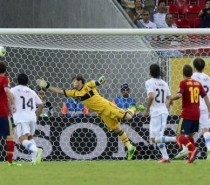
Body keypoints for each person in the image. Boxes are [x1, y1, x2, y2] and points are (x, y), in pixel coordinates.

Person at [36, 75, 143, 160]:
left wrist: (101, 80)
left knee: (128, 117)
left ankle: (133, 108)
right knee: (117, 129)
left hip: (107, 106)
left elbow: (97, 82)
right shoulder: (74, 93)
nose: (72, 83)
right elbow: (60, 91)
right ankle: (130, 147)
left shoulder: (88, 85)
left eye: (74, 81)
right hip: (102, 114)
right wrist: (47, 86)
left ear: (79, 81)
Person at [169, 64, 210, 164]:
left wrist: (170, 98)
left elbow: (179, 95)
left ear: (183, 73)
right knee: (190, 136)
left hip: (187, 113)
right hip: (197, 112)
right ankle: (191, 157)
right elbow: (205, 97)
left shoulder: (183, 82)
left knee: (179, 136)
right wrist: (209, 110)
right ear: (192, 73)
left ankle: (192, 148)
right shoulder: (197, 83)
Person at [143, 63, 176, 163]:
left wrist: (147, 109)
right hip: (159, 112)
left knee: (158, 137)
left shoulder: (149, 82)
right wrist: (166, 106)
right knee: (153, 139)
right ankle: (165, 157)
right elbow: (170, 99)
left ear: (150, 71)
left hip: (158, 113)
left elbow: (151, 96)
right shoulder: (164, 83)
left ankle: (178, 139)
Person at [11, 73, 44, 165]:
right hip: (32, 117)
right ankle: (33, 162)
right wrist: (36, 116)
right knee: (29, 138)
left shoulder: (13, 90)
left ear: (17, 81)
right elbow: (41, 105)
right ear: (27, 82)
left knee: (22, 140)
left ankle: (36, 150)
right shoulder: (32, 91)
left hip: (21, 118)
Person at [0, 61, 21, 166]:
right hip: (2, 112)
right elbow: (7, 91)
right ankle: (10, 161)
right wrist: (13, 104)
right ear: (5, 70)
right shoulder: (4, 79)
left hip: (3, 110)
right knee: (10, 136)